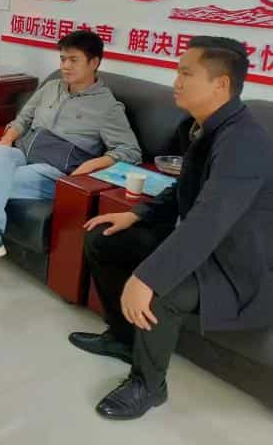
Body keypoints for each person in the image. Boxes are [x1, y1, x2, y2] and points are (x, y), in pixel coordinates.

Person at [69, 36, 273, 420]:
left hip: (236, 264)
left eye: (186, 74)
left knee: (161, 289)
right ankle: (123, 339)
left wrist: (148, 277)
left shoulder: (244, 143)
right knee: (104, 238)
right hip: (204, 245)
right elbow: (184, 189)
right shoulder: (201, 127)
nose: (175, 82)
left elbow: (209, 221)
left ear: (221, 84)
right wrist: (138, 215)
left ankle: (148, 385)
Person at [0, 30, 142, 284]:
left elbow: (130, 151)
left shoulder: (107, 107)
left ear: (94, 62)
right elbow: (23, 119)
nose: (65, 66)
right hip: (22, 154)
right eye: (63, 59)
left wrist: (93, 164)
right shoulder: (51, 87)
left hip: (51, 172)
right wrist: (7, 139)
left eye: (74, 60)